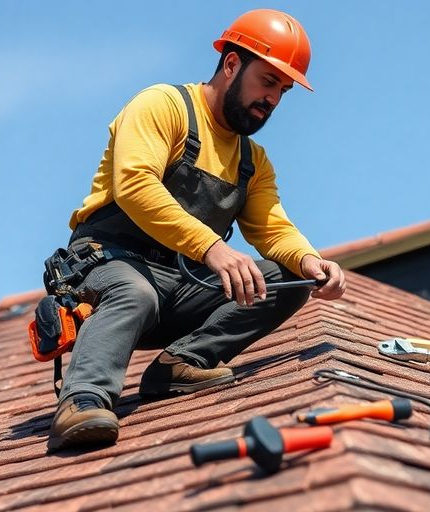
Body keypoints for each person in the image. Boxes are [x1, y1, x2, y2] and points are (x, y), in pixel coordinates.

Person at [46, 9, 346, 452]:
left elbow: (272, 228)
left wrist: (311, 262)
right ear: (231, 64)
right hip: (110, 266)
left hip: (181, 285)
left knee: (286, 279)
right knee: (135, 292)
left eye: (283, 91)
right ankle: (83, 398)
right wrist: (210, 248)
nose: (273, 99)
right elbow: (135, 184)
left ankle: (182, 362)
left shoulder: (253, 162)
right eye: (267, 81)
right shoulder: (163, 106)